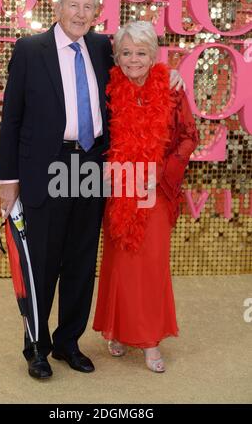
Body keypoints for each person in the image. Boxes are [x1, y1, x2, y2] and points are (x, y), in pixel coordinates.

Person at [0, 0, 184, 380]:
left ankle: (68, 343)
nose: (81, 14)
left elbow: (142, 60)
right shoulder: (30, 50)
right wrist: (6, 180)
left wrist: (174, 76)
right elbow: (11, 120)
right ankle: (37, 347)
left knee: (81, 259)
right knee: (42, 262)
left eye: (88, 8)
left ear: (96, 14)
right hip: (47, 167)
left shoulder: (103, 48)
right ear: (59, 8)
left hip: (94, 164)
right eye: (74, 6)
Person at [93, 21, 199, 373]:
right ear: (117, 57)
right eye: (126, 52)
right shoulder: (109, 87)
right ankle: (120, 330)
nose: (133, 60)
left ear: (153, 55)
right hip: (121, 190)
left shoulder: (171, 88)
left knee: (150, 265)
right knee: (120, 264)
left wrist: (162, 172)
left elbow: (188, 136)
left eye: (141, 53)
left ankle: (151, 341)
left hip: (155, 192)